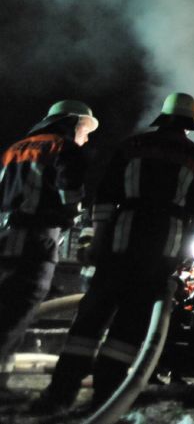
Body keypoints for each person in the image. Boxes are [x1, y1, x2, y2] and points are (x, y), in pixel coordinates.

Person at [39, 93, 194, 411]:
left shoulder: (132, 146)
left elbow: (106, 196)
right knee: (129, 328)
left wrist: (97, 241)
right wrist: (186, 256)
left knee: (89, 320)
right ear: (190, 122)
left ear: (163, 116)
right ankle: (106, 399)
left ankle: (59, 394)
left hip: (118, 244)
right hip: (161, 252)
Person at [0, 101, 97, 399]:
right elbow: (71, 198)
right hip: (37, 238)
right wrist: (79, 225)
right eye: (85, 130)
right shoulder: (64, 149)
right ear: (72, 124)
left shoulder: (14, 148)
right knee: (18, 308)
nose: (86, 139)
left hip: (5, 236)